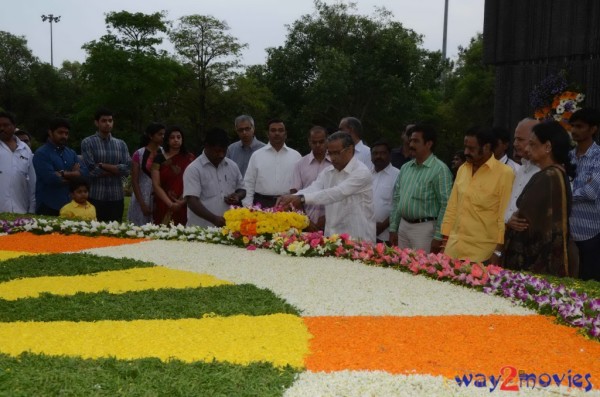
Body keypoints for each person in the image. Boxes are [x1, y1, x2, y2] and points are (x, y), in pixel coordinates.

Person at [502, 121, 575, 276]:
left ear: (547, 147)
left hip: (536, 264)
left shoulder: (548, 176)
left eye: (533, 145)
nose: (527, 149)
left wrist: (514, 219)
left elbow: (524, 216)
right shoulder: (552, 174)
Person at [277, 131, 376, 242]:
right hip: (332, 236)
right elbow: (313, 188)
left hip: (358, 237)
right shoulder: (328, 172)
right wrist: (291, 197)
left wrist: (301, 199)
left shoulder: (361, 172)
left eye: (337, 153)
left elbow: (336, 193)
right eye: (330, 153)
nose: (332, 158)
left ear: (350, 150)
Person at [440, 127, 514, 263]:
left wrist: (497, 252)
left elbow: (503, 217)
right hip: (453, 251)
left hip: (482, 254)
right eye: (465, 147)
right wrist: (444, 242)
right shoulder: (463, 169)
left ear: (486, 147)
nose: (466, 152)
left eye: (471, 149)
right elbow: (452, 208)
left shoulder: (505, 173)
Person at [389, 125, 453, 252]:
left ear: (429, 144)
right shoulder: (406, 167)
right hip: (403, 227)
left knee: (421, 269)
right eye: (411, 140)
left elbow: (446, 205)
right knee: (399, 268)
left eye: (416, 141)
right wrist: (393, 228)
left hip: (424, 230)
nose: (411, 144)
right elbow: (397, 199)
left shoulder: (440, 170)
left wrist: (439, 236)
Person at [183, 128, 245, 227]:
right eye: (217, 151)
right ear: (206, 147)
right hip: (201, 230)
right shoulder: (194, 169)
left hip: (228, 227)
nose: (220, 155)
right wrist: (214, 219)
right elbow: (191, 201)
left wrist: (237, 196)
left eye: (224, 151)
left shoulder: (232, 166)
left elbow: (242, 189)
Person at [81, 108, 131, 222]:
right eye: (104, 120)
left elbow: (127, 169)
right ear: (96, 123)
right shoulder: (88, 142)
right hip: (96, 196)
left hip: (116, 196)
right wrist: (116, 170)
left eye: (110, 120)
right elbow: (92, 171)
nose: (107, 123)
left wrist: (103, 165)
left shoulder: (121, 144)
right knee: (94, 233)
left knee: (115, 234)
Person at [568, 108, 600, 281]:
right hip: (568, 232)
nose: (574, 130)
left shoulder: (598, 157)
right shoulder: (568, 156)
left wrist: (567, 193)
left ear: (593, 129)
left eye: (579, 126)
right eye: (572, 126)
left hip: (592, 233)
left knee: (589, 285)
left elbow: (591, 192)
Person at [33, 118, 87, 216]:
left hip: (70, 207)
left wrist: (62, 173)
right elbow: (51, 178)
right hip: (48, 206)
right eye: (60, 132)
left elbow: (84, 174)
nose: (64, 136)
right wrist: (74, 176)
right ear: (50, 132)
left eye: (66, 133)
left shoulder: (71, 153)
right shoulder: (41, 154)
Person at [242, 119, 301, 208]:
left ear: (286, 134)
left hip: (287, 205)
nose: (277, 133)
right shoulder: (257, 155)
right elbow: (249, 183)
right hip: (261, 204)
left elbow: (302, 185)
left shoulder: (296, 156)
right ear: (267, 134)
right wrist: (248, 207)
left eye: (280, 130)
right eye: (273, 130)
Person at [151, 126, 195, 225]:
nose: (176, 140)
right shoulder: (158, 158)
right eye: (172, 137)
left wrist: (183, 201)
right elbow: (156, 184)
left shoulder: (190, 158)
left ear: (182, 140)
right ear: (167, 140)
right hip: (163, 202)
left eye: (179, 137)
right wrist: (170, 204)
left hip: (185, 202)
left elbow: (194, 182)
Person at [290, 125, 331, 231]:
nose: (318, 145)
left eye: (321, 142)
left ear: (327, 140)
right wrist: (306, 220)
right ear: (309, 142)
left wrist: (327, 218)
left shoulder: (335, 164)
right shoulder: (300, 164)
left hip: (332, 221)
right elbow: (295, 192)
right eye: (314, 142)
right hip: (304, 221)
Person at [503, 118, 540, 227]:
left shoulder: (544, 172)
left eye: (520, 139)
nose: (515, 144)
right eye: (515, 139)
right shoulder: (521, 169)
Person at [127, 123, 165, 226]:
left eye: (163, 134)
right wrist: (142, 204)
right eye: (159, 134)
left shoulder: (164, 153)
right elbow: (135, 180)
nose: (163, 137)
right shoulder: (138, 154)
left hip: (159, 195)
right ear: (151, 136)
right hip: (142, 196)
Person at [0, 111, 36, 214]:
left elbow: (32, 182)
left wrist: (32, 209)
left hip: (20, 210)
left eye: (5, 125)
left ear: (14, 126)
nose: (2, 128)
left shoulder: (25, 149)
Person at [370, 140, 400, 244]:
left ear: (389, 155)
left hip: (385, 235)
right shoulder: (366, 175)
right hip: (365, 232)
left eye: (383, 153)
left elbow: (399, 205)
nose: (379, 156)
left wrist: (383, 226)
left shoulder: (398, 175)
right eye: (375, 153)